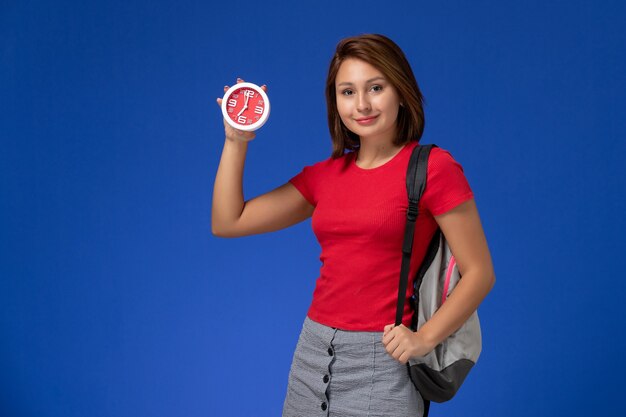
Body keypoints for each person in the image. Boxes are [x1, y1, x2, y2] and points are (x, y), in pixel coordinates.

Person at [212, 34, 495, 417]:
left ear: (401, 91)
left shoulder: (432, 169)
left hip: (384, 361)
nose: (361, 104)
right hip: (312, 354)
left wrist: (424, 338)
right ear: (336, 102)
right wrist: (236, 140)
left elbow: (479, 273)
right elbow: (230, 221)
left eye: (375, 88)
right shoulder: (325, 176)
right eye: (347, 92)